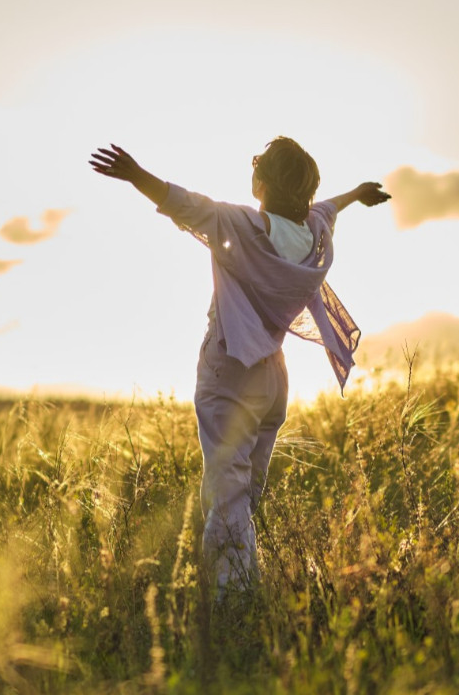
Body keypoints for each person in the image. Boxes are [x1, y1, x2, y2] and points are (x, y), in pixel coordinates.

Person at [89, 138, 391, 593]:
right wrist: (357, 193)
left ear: (260, 184)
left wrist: (135, 175)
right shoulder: (315, 232)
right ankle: (249, 581)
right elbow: (330, 208)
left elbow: (183, 202)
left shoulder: (242, 224)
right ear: (307, 192)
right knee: (246, 490)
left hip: (230, 370)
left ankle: (234, 602)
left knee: (228, 493)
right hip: (273, 379)